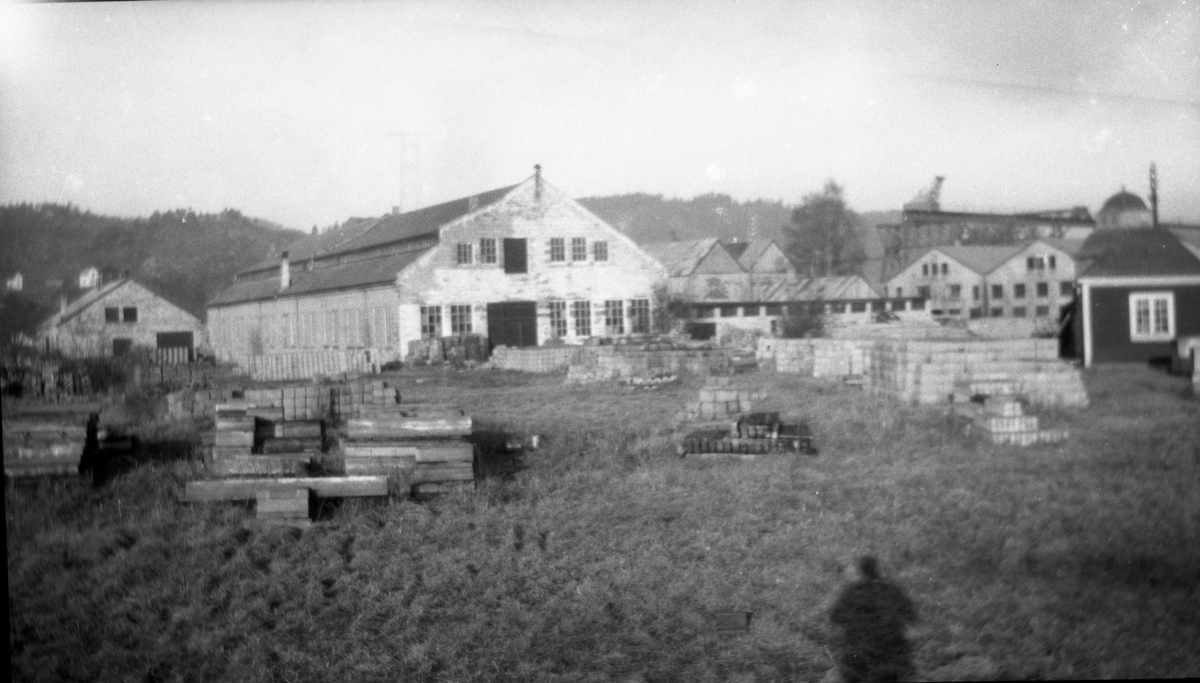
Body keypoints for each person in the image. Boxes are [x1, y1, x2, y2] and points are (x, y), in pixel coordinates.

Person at [830, 556, 918, 683]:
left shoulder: (852, 592)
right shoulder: (892, 590)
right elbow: (912, 617)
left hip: (858, 660)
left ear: (861, 571)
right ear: (877, 570)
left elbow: (835, 618)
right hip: (892, 658)